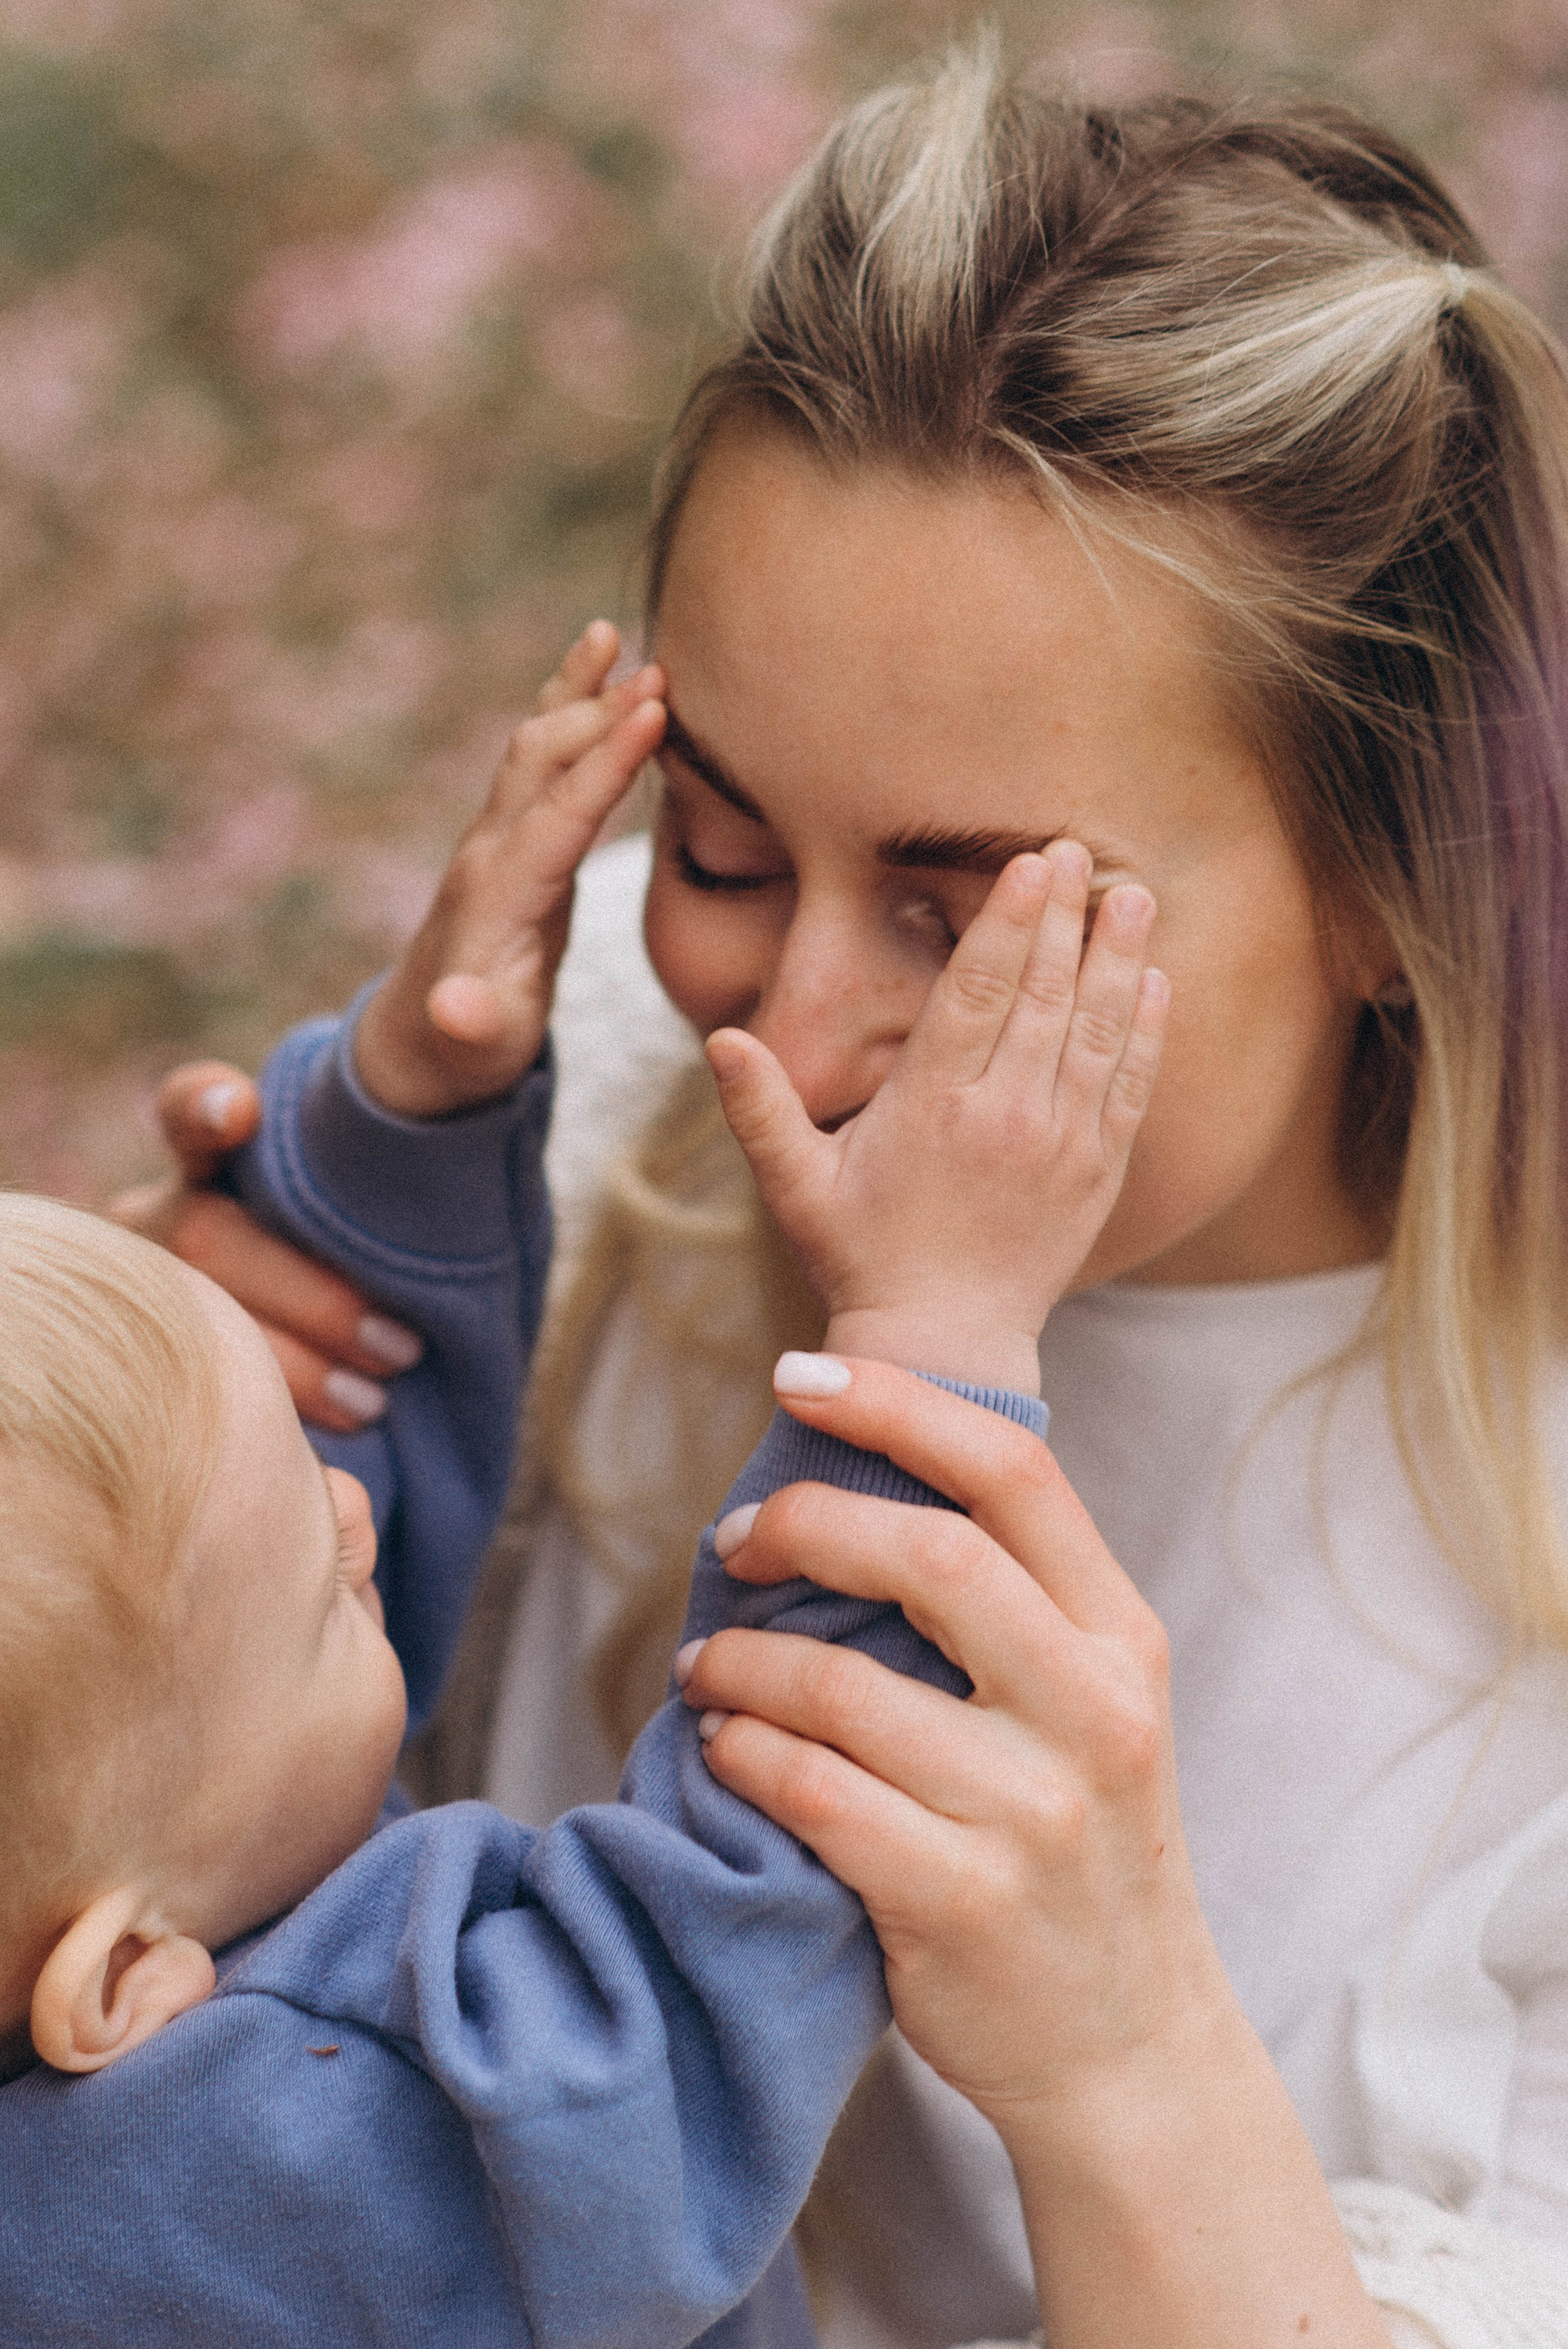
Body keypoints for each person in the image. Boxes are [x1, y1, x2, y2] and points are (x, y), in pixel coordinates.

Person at [119, 51, 1568, 2349]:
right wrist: (178, 1482)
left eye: (964, 916)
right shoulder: (606, 1087)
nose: (779, 1048)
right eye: (713, 844)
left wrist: (1122, 2057)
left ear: (1409, 878)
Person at [0, 627, 1168, 2345]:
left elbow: (206, 1601)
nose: (354, 1514)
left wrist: (405, 1118)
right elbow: (692, 1986)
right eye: (323, 1597)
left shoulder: (137, 1902)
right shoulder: (265, 2176)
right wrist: (925, 1346)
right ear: (120, 1983)